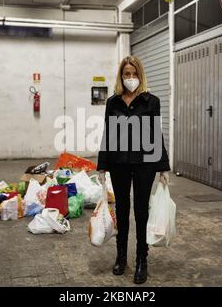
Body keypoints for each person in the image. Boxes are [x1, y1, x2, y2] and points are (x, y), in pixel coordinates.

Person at [97, 56, 171, 284]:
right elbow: (108, 134)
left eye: (134, 74)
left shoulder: (151, 101)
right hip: (119, 162)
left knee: (141, 211)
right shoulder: (113, 102)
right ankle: (121, 257)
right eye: (126, 74)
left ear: (140, 75)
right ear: (121, 76)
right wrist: (102, 165)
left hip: (144, 164)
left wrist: (163, 166)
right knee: (122, 209)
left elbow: (155, 134)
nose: (130, 78)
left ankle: (142, 260)